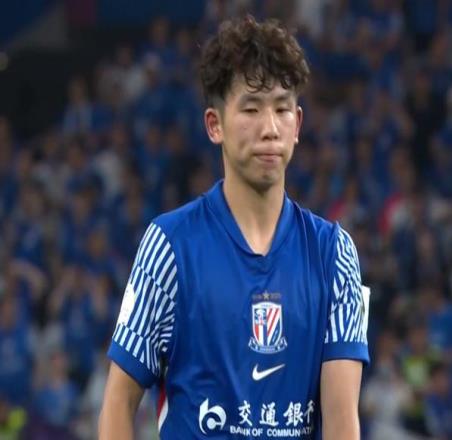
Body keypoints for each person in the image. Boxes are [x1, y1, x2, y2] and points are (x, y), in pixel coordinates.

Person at [99, 16, 370, 439]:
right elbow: (118, 401)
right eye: (251, 108)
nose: (269, 128)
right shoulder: (169, 246)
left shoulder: (335, 254)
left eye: (281, 108)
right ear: (215, 125)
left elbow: (341, 422)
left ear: (298, 125)